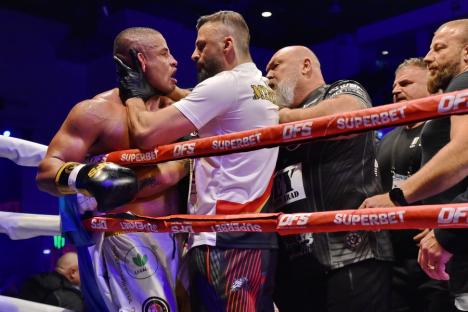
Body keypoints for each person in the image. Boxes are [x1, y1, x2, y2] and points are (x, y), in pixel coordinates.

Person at [118, 11, 279, 311]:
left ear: (227, 45)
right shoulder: (259, 85)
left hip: (224, 236)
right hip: (246, 233)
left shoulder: (226, 84)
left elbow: (144, 133)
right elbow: (200, 100)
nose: (193, 55)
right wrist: (168, 89)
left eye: (202, 46)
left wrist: (133, 92)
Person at [36, 27, 189, 312]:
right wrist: (84, 176)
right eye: (165, 53)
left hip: (182, 235)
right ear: (140, 60)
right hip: (127, 240)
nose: (174, 61)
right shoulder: (97, 112)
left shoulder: (179, 109)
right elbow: (46, 172)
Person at [265, 45, 393, 312]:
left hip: (353, 253)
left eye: (275, 65)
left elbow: (346, 116)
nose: (268, 76)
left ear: (306, 65)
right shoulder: (269, 118)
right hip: (298, 261)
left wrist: (284, 118)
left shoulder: (341, 89)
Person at [360, 19, 468, 311]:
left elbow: (463, 152)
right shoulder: (393, 135)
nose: (430, 57)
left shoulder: (463, 81)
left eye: (439, 48)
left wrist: (399, 199)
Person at [377, 58, 453, 312]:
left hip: (439, 249)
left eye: (406, 83)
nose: (396, 90)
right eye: (394, 86)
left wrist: (445, 230)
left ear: (430, 85)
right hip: (394, 257)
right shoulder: (385, 140)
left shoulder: (447, 129)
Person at [18, 252, 83, 311]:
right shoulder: (72, 299)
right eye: (82, 272)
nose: (84, 277)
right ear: (73, 272)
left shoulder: (33, 281)